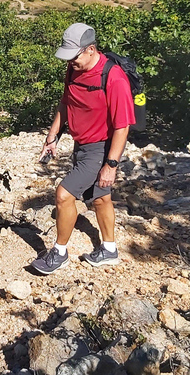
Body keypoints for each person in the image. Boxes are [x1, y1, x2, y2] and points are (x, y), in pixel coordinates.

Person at [31, 23, 135, 275]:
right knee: (99, 198)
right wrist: (53, 136)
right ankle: (109, 249)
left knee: (64, 195)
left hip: (101, 148)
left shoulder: (114, 78)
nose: (70, 61)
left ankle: (59, 252)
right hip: (81, 144)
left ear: (90, 49)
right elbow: (67, 100)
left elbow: (122, 127)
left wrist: (111, 165)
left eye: (74, 55)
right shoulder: (73, 68)